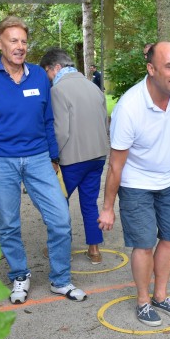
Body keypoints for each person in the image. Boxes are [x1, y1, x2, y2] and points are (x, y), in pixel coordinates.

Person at [0, 16, 87, 304]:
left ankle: (60, 279)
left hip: (38, 158)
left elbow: (47, 120)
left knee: (60, 219)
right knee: (9, 223)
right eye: (13, 40)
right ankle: (20, 275)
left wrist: (54, 156)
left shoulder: (40, 76)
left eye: (23, 41)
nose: (20, 47)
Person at [98, 42, 170, 327]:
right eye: (169, 66)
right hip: (136, 182)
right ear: (151, 69)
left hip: (169, 180)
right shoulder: (129, 107)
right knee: (143, 244)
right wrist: (107, 208)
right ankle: (143, 300)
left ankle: (161, 294)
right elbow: (115, 165)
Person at [39, 48, 110, 264]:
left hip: (72, 159)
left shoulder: (58, 90)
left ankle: (61, 249)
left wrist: (53, 158)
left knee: (58, 204)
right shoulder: (93, 87)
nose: (47, 78)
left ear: (56, 68)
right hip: (97, 156)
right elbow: (104, 120)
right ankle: (94, 249)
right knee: (90, 203)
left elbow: (61, 130)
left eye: (47, 73)